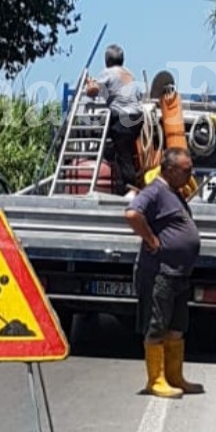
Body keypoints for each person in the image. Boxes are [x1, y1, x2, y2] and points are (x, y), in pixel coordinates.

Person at [124, 147, 204, 398]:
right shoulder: (155, 190)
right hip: (160, 272)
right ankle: (155, 380)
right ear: (169, 170)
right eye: (186, 170)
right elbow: (132, 213)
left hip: (179, 273)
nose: (190, 175)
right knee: (156, 324)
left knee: (177, 326)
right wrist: (151, 239)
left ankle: (174, 376)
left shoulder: (174, 193)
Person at [85, 44, 144, 196]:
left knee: (124, 155)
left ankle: (131, 190)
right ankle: (125, 182)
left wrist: (89, 84)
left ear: (107, 60)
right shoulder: (129, 74)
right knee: (126, 152)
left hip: (123, 118)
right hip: (137, 117)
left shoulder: (108, 73)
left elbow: (93, 91)